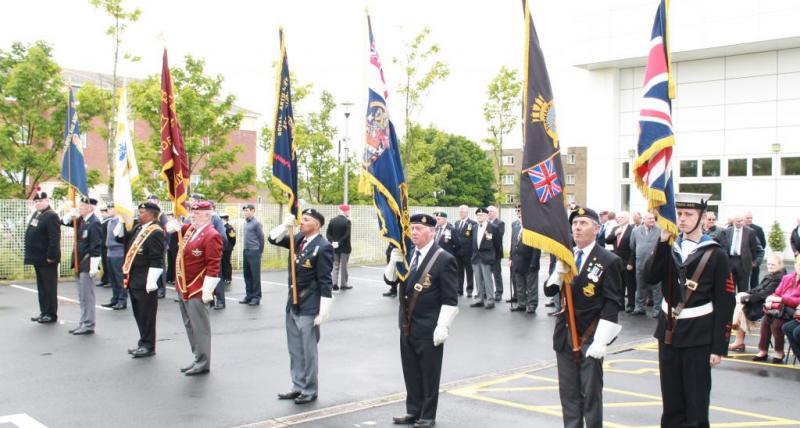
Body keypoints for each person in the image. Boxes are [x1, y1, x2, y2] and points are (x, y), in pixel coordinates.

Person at [644, 193, 735, 427]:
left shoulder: (716, 253)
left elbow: (725, 303)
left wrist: (718, 346)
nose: (682, 219)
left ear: (703, 218)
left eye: (689, 214)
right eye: (679, 214)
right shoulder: (669, 247)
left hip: (699, 336)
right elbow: (650, 277)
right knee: (671, 402)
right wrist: (663, 243)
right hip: (668, 333)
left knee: (696, 403)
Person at [544, 207, 624, 428]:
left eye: (583, 223)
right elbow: (549, 292)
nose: (577, 228)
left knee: (590, 395)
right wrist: (557, 274)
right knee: (568, 394)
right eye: (575, 223)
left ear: (597, 229)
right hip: (565, 333)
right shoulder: (565, 255)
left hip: (590, 335)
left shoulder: (608, 260)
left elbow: (612, 302)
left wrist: (601, 341)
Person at [386, 213, 458, 428]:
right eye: (412, 229)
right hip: (407, 325)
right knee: (411, 371)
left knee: (429, 373)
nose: (413, 232)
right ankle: (413, 410)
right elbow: (389, 281)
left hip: (429, 327)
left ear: (431, 231)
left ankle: (427, 415)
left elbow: (450, 298)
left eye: (418, 228)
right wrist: (393, 262)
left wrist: (443, 326)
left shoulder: (444, 258)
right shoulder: (407, 255)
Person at [269, 208, 334, 405]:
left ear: (317, 224)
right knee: (295, 349)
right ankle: (297, 386)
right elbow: (272, 239)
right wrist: (284, 225)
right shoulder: (297, 238)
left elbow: (325, 281)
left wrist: (324, 311)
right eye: (301, 219)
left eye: (306, 220)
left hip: (309, 304)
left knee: (308, 350)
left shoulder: (323, 247)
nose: (301, 222)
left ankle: (310, 389)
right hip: (293, 302)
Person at [168, 201, 222, 375]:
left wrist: (208, 290)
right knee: (189, 325)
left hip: (197, 287)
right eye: (192, 213)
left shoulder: (211, 234)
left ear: (208, 215)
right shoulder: (191, 230)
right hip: (184, 285)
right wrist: (170, 225)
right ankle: (197, 357)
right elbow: (174, 229)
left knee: (200, 327)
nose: (193, 216)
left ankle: (203, 361)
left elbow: (213, 265)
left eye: (197, 214)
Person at [116, 202, 165, 358]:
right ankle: (142, 341)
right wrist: (122, 222)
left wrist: (151, 281)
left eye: (142, 212)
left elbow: (157, 259)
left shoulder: (155, 232)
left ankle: (149, 345)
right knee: (138, 313)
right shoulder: (139, 228)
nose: (139, 214)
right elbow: (121, 241)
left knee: (147, 314)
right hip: (134, 278)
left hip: (145, 280)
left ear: (151, 214)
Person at [728, 253, 785, 352]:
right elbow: (757, 289)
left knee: (741, 305)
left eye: (773, 265)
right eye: (768, 264)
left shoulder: (778, 278)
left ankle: (737, 331)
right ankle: (737, 332)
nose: (770, 267)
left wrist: (745, 299)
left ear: (780, 265)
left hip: (767, 305)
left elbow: (764, 294)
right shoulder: (770, 275)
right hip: (760, 301)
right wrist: (744, 295)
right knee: (740, 300)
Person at [62, 197, 103, 335]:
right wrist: (70, 214)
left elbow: (96, 246)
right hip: (79, 261)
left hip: (86, 262)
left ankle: (88, 324)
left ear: (90, 207)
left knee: (87, 296)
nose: (80, 207)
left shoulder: (94, 223)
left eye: (82, 205)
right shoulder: (81, 220)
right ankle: (83, 322)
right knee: (81, 295)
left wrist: (93, 266)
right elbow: (63, 222)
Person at [752, 255, 800, 363]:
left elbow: (798, 301)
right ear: (795, 265)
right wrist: (772, 299)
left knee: (777, 323)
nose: (799, 268)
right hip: (781, 308)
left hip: (793, 311)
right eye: (798, 265)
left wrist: (783, 299)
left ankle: (779, 351)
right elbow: (777, 293)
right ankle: (763, 350)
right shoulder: (787, 278)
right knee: (766, 320)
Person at [25, 191, 61, 324]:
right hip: (38, 257)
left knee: (49, 287)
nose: (38, 203)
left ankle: (51, 314)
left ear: (47, 201)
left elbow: (54, 238)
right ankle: (44, 311)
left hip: (47, 258)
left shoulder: (51, 215)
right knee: (42, 287)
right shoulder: (38, 214)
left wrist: (51, 256)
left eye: (41, 201)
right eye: (36, 201)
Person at [630, 212, 662, 317]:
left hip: (655, 264)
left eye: (653, 218)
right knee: (640, 286)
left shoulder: (659, 230)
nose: (652, 220)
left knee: (657, 288)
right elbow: (632, 246)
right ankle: (640, 308)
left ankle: (657, 310)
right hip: (640, 263)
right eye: (650, 218)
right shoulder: (635, 231)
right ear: (644, 219)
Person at [510, 207, 540, 313]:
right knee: (520, 285)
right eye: (520, 216)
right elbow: (513, 244)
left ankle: (532, 304)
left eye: (523, 216)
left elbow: (536, 249)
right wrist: (511, 258)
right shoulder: (517, 227)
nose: (521, 218)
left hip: (529, 262)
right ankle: (521, 304)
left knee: (531, 287)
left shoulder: (533, 229)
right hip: (518, 262)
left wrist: (533, 263)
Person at [470, 207, 501, 309]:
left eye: (482, 215)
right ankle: (480, 299)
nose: (479, 217)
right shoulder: (474, 227)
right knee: (478, 279)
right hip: (476, 257)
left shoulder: (493, 228)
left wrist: (496, 258)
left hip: (487, 257)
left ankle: (490, 300)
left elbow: (497, 244)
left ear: (487, 216)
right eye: (478, 215)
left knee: (487, 279)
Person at [725, 213, 763, 293]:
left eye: (741, 221)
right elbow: (724, 246)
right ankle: (731, 304)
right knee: (730, 288)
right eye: (737, 221)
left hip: (743, 262)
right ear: (734, 221)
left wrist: (754, 261)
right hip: (730, 261)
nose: (739, 223)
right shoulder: (727, 231)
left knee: (743, 288)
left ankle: (742, 304)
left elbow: (754, 248)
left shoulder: (750, 232)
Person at [606, 211, 636, 313]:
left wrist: (631, 262)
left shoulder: (632, 229)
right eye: (618, 218)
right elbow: (607, 240)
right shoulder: (615, 229)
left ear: (627, 218)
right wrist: (615, 234)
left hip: (627, 261)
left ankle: (631, 304)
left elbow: (633, 248)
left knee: (630, 284)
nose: (619, 219)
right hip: (617, 261)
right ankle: (621, 303)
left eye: (621, 217)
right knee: (619, 284)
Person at [101, 203, 127, 310]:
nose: (108, 210)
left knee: (119, 278)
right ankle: (115, 298)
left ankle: (122, 300)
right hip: (110, 252)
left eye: (111, 208)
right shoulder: (111, 221)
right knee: (113, 278)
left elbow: (120, 237)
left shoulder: (120, 221)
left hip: (118, 252)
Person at [239, 203, 265, 306]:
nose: (245, 212)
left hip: (254, 251)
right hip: (246, 250)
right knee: (247, 275)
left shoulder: (256, 223)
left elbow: (261, 238)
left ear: (253, 211)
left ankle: (256, 297)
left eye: (247, 210)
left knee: (255, 275)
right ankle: (249, 295)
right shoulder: (245, 223)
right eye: (244, 210)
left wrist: (260, 252)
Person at [146, 195, 169, 299]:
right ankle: (154, 286)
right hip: (151, 243)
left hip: (160, 243)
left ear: (157, 201)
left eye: (152, 201)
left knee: (161, 266)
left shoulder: (161, 215)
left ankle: (161, 289)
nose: (150, 202)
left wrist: (166, 243)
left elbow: (166, 229)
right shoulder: (151, 214)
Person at [327, 204, 353, 291]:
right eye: (348, 210)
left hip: (334, 247)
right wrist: (339, 242)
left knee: (335, 265)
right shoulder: (347, 221)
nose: (349, 212)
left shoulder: (332, 220)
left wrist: (332, 242)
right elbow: (347, 235)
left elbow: (328, 234)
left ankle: (334, 283)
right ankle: (343, 284)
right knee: (344, 266)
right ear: (345, 211)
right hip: (345, 247)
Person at [453, 205, 476, 297]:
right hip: (458, 252)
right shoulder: (457, 223)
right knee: (459, 271)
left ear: (467, 212)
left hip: (468, 252)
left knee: (469, 271)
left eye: (463, 212)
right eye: (460, 212)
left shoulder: (473, 224)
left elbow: (473, 238)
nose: (461, 213)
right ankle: (459, 289)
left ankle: (469, 290)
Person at [744, 211, 767, 290]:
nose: (749, 219)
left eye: (751, 218)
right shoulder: (739, 228)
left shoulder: (758, 229)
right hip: (743, 260)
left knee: (754, 280)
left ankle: (754, 296)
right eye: (747, 218)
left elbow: (763, 244)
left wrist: (757, 259)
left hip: (754, 259)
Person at [487, 206, 505, 302]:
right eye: (488, 211)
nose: (489, 213)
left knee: (496, 274)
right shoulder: (485, 223)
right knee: (486, 274)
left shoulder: (500, 223)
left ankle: (499, 292)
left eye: (491, 211)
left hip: (495, 253)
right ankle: (487, 292)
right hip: (486, 253)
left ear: (495, 213)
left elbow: (499, 237)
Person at [220, 214, 236, 287]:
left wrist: (230, 246)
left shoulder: (229, 228)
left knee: (227, 263)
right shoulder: (221, 227)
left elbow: (233, 239)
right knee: (222, 262)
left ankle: (228, 278)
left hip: (227, 248)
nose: (220, 220)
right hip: (222, 248)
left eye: (221, 219)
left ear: (225, 219)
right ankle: (223, 277)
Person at [98, 206, 111, 288]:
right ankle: (104, 279)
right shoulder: (103, 221)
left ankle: (109, 280)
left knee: (107, 263)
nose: (102, 214)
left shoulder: (109, 222)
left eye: (104, 212)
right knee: (104, 263)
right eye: (102, 212)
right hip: (102, 244)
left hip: (107, 245)